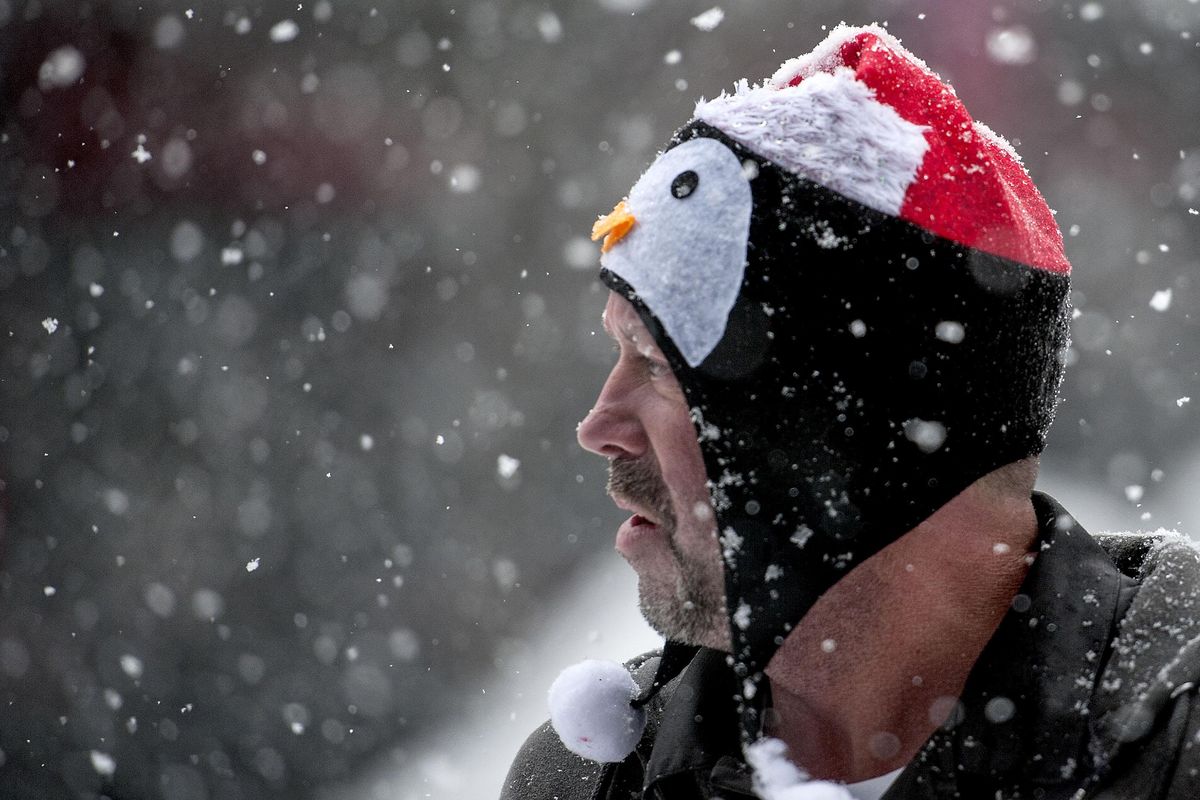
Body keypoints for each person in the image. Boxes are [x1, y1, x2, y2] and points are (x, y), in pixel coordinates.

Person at [502, 24, 1200, 800]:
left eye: (660, 366)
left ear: (851, 440)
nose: (599, 425)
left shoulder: (1175, 758)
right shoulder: (585, 780)